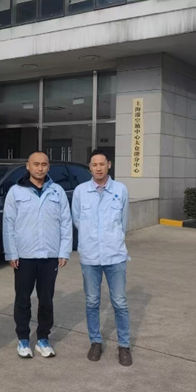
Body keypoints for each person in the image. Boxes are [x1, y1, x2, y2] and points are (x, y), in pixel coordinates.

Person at [3, 152, 72, 358]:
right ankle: (23, 339)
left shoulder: (57, 191)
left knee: (46, 300)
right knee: (23, 299)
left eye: (44, 164)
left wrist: (64, 250)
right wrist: (11, 252)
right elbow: (8, 224)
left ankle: (43, 338)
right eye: (36, 164)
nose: (40, 168)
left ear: (48, 167)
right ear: (28, 166)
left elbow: (66, 222)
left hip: (50, 254)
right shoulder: (16, 192)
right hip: (24, 255)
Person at [71, 149, 132, 366]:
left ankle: (124, 345)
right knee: (92, 301)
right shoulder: (80, 191)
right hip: (90, 257)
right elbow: (77, 220)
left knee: (120, 302)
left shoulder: (120, 190)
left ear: (109, 165)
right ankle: (95, 341)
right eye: (94, 164)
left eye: (102, 164)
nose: (98, 168)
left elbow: (123, 223)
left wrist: (112, 240)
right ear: (89, 167)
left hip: (115, 256)